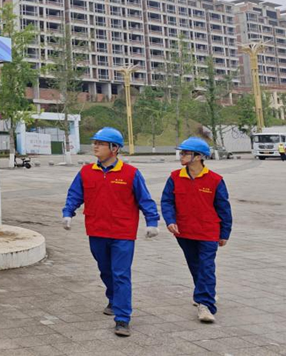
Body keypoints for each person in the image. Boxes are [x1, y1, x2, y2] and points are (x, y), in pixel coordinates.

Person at [62, 127, 160, 337]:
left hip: (123, 233)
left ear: (114, 148)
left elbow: (145, 199)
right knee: (105, 270)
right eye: (95, 142)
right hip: (96, 230)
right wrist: (68, 212)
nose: (95, 146)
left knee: (121, 274)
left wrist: (152, 221)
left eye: (101, 143)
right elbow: (75, 194)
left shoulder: (131, 173)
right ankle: (114, 299)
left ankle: (122, 318)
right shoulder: (86, 172)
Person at [161, 137, 232, 324]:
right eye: (181, 152)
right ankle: (204, 292)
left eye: (185, 153)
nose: (181, 156)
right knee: (195, 265)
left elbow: (224, 208)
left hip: (208, 231)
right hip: (184, 231)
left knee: (206, 266)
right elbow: (167, 201)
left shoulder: (215, 180)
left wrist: (224, 233)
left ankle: (205, 304)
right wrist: (170, 220)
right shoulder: (175, 177)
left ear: (199, 156)